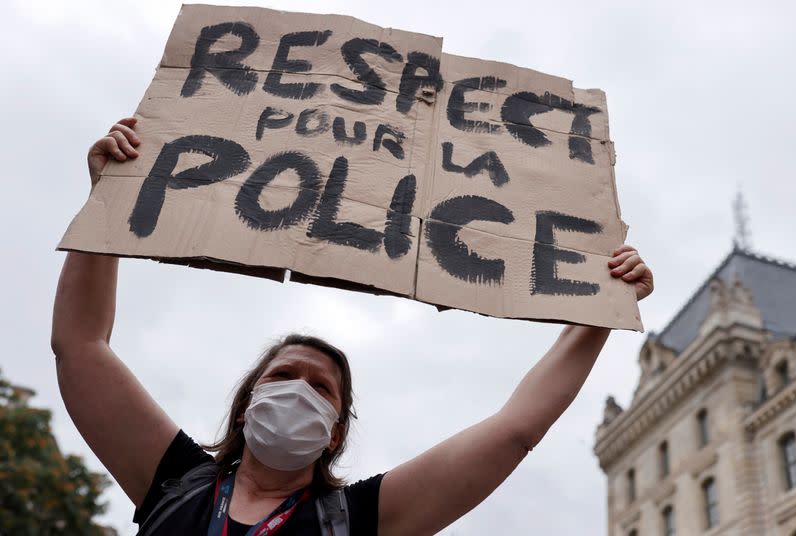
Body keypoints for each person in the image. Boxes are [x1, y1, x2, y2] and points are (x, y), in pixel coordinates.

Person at [51, 118, 654, 536]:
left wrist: (596, 311)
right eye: (284, 375)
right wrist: (108, 201)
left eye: (320, 389)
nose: (297, 389)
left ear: (335, 433)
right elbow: (80, 346)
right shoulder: (174, 482)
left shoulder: (357, 520)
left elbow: (514, 431)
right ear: (245, 405)